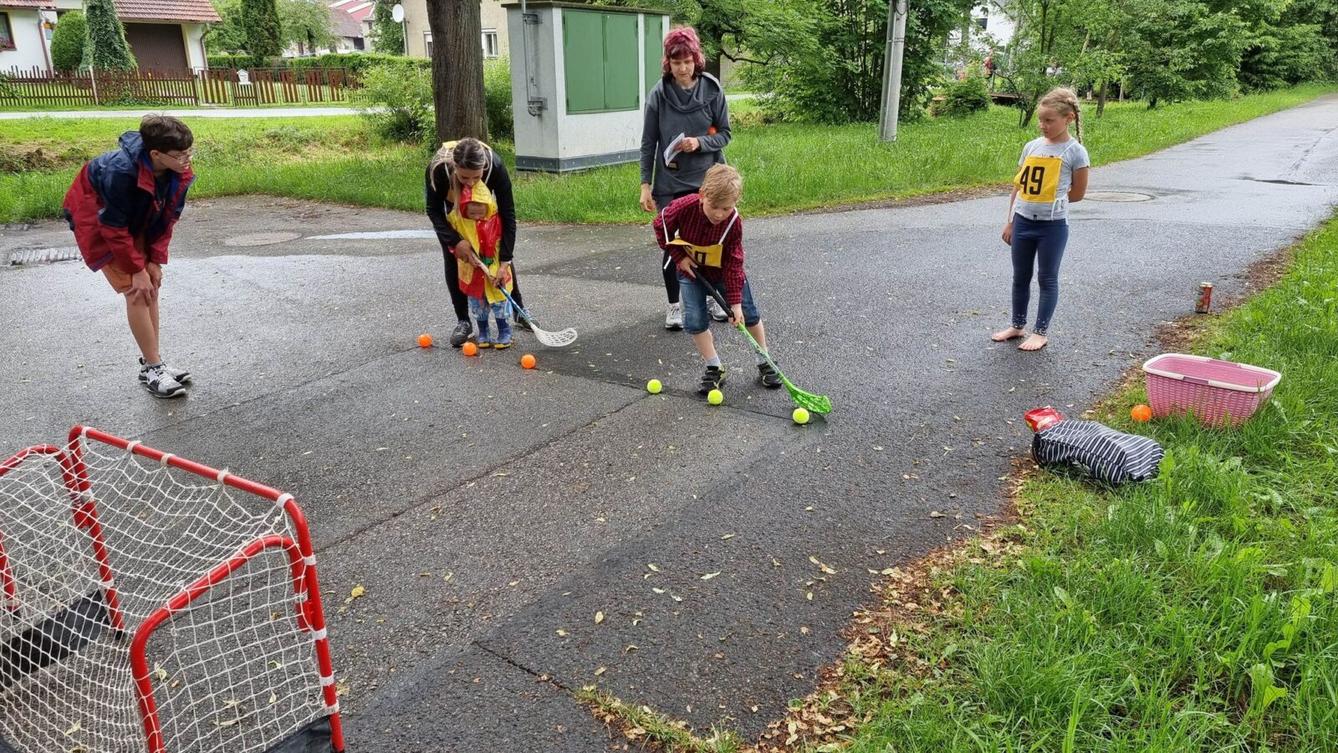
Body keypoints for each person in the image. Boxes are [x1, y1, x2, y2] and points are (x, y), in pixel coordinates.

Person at [62, 115, 196, 399]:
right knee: (137, 290)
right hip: (98, 220)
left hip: (135, 219)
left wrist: (154, 260)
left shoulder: (176, 170)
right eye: (180, 154)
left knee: (152, 286)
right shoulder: (120, 172)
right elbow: (112, 225)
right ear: (155, 154)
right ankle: (153, 368)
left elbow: (168, 216)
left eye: (189, 152)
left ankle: (154, 362)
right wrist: (135, 268)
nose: (187, 159)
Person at [653, 164, 782, 395]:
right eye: (714, 206)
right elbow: (660, 225)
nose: (719, 214)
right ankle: (714, 367)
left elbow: (734, 262)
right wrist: (679, 256)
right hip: (691, 273)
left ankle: (765, 360)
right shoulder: (684, 207)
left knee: (748, 314)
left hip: (723, 272)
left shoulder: (733, 222)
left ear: (735, 203)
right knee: (694, 320)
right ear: (702, 195)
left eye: (727, 208)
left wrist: (734, 303)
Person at [639, 26, 732, 331]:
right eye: (676, 62)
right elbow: (648, 142)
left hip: (708, 181)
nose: (682, 68)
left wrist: (699, 143)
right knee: (673, 245)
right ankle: (674, 305)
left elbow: (725, 135)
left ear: (696, 59)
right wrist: (645, 185)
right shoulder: (659, 95)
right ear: (668, 63)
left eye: (687, 61)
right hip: (670, 185)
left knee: (709, 244)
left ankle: (708, 298)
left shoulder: (711, 89)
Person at [992, 87, 1090, 352]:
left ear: (1068, 118)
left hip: (1052, 226)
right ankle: (1017, 325)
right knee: (1020, 276)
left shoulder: (1075, 151)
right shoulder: (1032, 147)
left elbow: (1078, 194)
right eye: (1041, 120)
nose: (1043, 125)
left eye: (1050, 120)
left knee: (1047, 277)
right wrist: (1010, 220)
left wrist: (1050, 202)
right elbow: (1018, 186)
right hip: (1023, 221)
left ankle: (1040, 331)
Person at [426, 137, 527, 347]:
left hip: (481, 208)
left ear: (484, 168)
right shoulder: (438, 172)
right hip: (453, 209)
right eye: (464, 177)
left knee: (497, 252)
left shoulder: (495, 167)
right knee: (454, 257)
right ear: (455, 168)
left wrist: (505, 261)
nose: (470, 182)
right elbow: (433, 211)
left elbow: (508, 215)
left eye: (476, 177)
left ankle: (518, 309)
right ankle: (463, 320)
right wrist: (455, 241)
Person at [449, 180, 513, 349]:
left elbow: (503, 243)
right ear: (464, 209)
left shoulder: (496, 221)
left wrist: (501, 268)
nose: (477, 217)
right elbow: (450, 239)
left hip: (494, 269)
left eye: (480, 213)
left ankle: (504, 330)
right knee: (478, 303)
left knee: (499, 301)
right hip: (472, 270)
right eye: (472, 214)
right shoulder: (459, 221)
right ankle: (483, 331)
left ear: (488, 207)